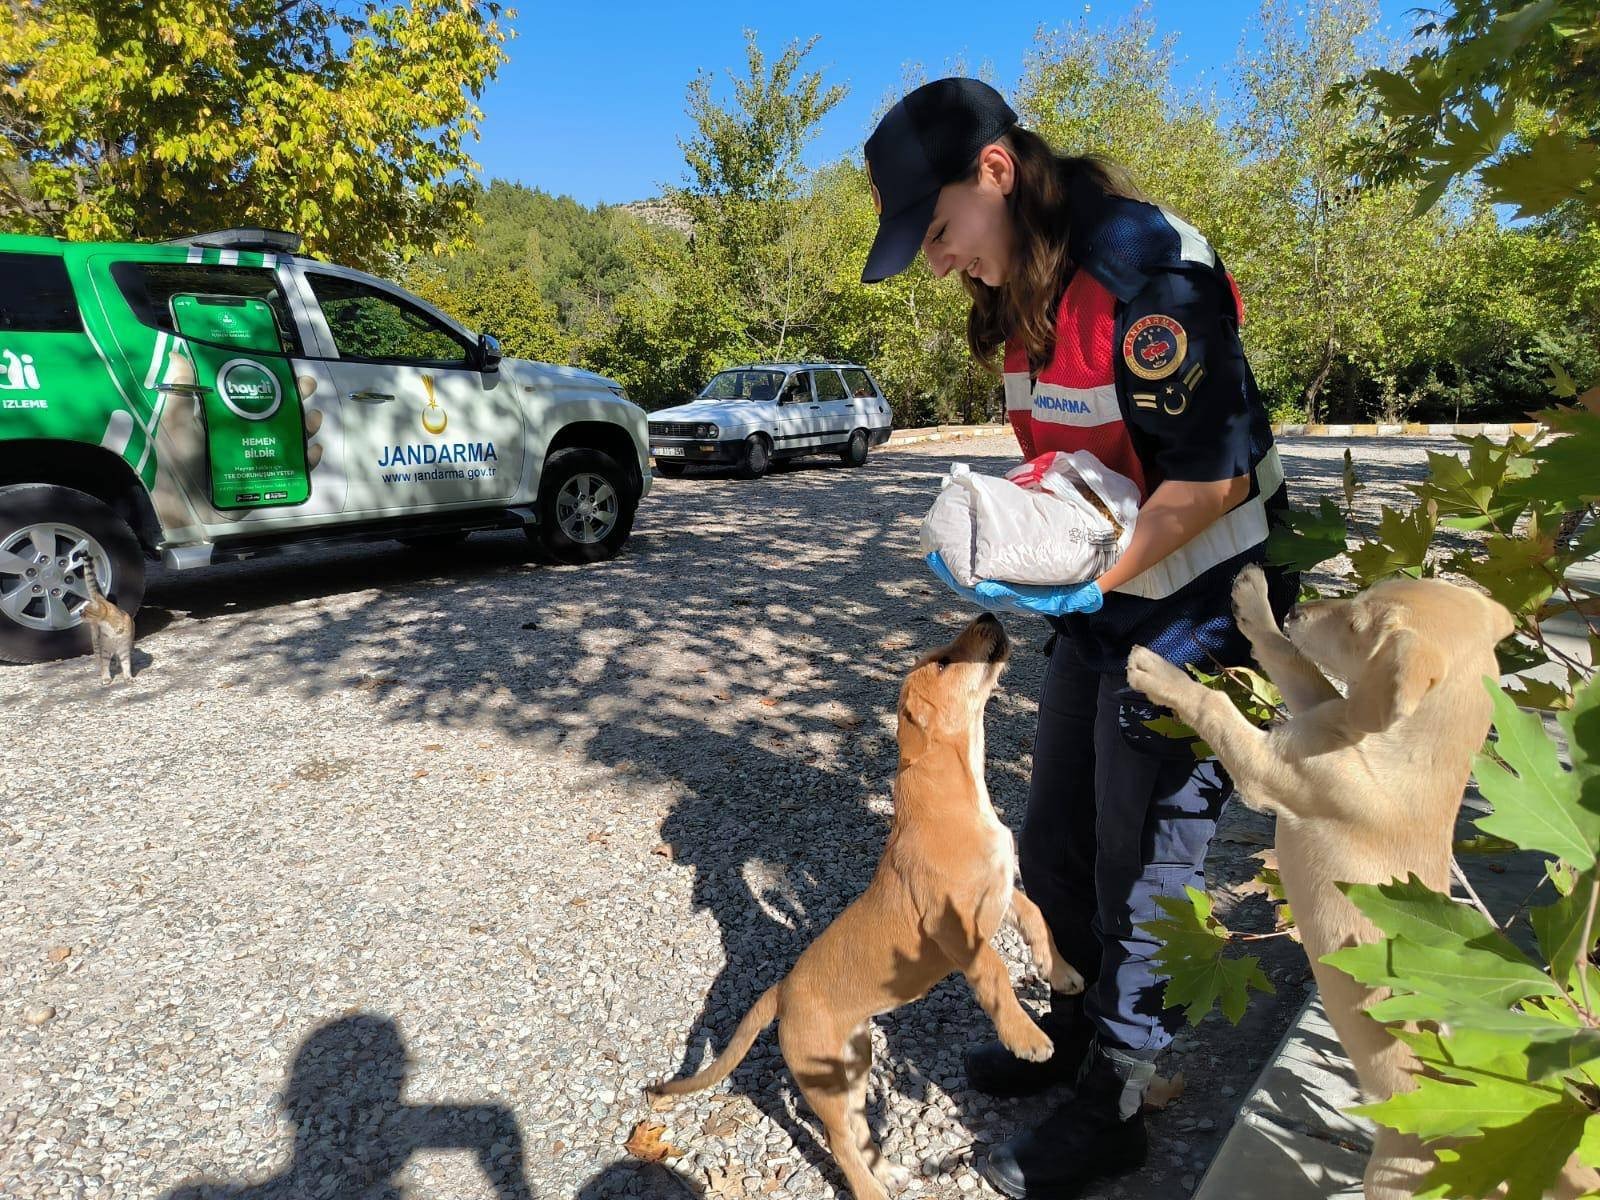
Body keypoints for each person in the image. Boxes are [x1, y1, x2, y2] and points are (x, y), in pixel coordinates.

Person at [861, 78, 1296, 1198]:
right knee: (1054, 828)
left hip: (1201, 600)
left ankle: (1119, 1098)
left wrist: (1085, 577)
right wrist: (1013, 538)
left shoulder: (1140, 274)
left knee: (1141, 852)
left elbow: (1212, 476)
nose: (938, 259)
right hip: (1108, 594)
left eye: (942, 230)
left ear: (996, 172)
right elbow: (1073, 457)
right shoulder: (1022, 293)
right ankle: (1065, 1031)